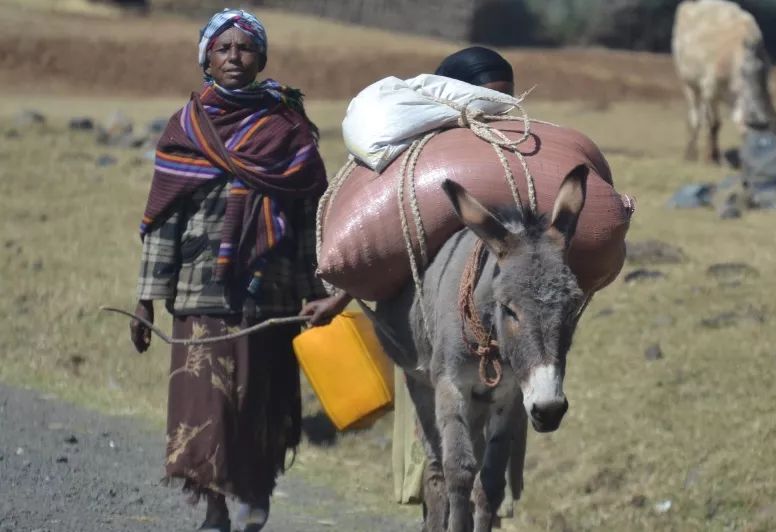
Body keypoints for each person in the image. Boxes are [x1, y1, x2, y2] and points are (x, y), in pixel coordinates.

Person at [129, 9, 349, 532]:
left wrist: (321, 290)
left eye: (245, 48)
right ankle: (213, 507)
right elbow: (163, 220)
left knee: (260, 397)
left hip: (269, 294)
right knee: (206, 402)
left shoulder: (287, 128)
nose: (234, 57)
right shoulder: (186, 127)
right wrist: (145, 297)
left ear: (261, 58)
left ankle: (255, 493)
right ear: (206, 58)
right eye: (223, 49)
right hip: (199, 292)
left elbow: (309, 219)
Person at [392, 45, 526, 520]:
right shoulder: (419, 151)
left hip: (506, 338)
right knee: (437, 457)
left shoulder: (521, 156)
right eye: (483, 101)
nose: (496, 114)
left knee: (493, 459)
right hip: (430, 332)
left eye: (505, 103)